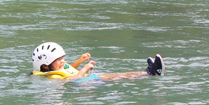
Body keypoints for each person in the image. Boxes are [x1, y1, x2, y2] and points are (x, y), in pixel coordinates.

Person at [30, 42, 164, 81]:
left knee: (118, 74)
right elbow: (74, 78)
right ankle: (152, 73)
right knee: (118, 76)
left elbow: (69, 68)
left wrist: (79, 61)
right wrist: (85, 69)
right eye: (58, 59)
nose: (62, 61)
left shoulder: (58, 69)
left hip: (89, 78)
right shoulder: (53, 76)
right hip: (90, 83)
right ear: (46, 66)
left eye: (61, 57)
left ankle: (148, 72)